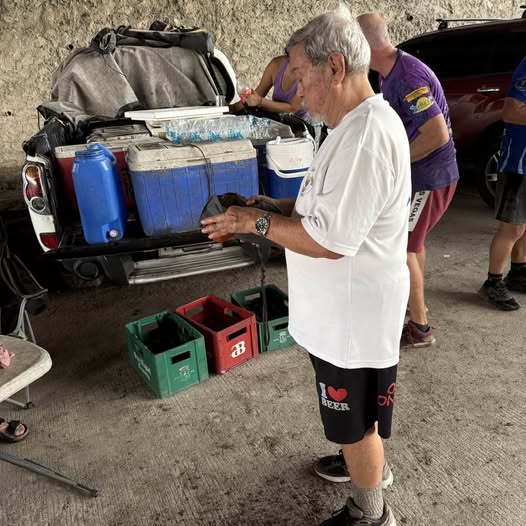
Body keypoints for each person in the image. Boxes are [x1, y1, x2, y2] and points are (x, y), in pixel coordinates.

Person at [202, 7, 411, 525]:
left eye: (299, 75)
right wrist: (275, 207)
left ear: (335, 67)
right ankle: (361, 463)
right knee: (353, 418)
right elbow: (329, 208)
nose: (295, 91)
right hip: (340, 313)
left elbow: (331, 240)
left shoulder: (364, 137)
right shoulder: (348, 126)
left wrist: (255, 223)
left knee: (355, 422)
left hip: (353, 318)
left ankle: (370, 511)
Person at [356, 12, 459, 348]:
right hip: (423, 176)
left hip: (431, 178)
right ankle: (418, 308)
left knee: (403, 249)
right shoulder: (389, 72)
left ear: (365, 45)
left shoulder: (406, 78)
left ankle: (420, 329)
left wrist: (394, 161)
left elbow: (437, 135)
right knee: (414, 245)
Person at [477, 56, 526, 310]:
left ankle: (519, 271)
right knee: (512, 227)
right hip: (518, 161)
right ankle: (492, 282)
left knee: (524, 224)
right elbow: (511, 111)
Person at [235, 53, 308, 118]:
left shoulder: (307, 74)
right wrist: (234, 107)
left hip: (303, 121)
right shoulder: (276, 64)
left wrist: (260, 101)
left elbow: (292, 108)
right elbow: (260, 92)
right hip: (280, 117)